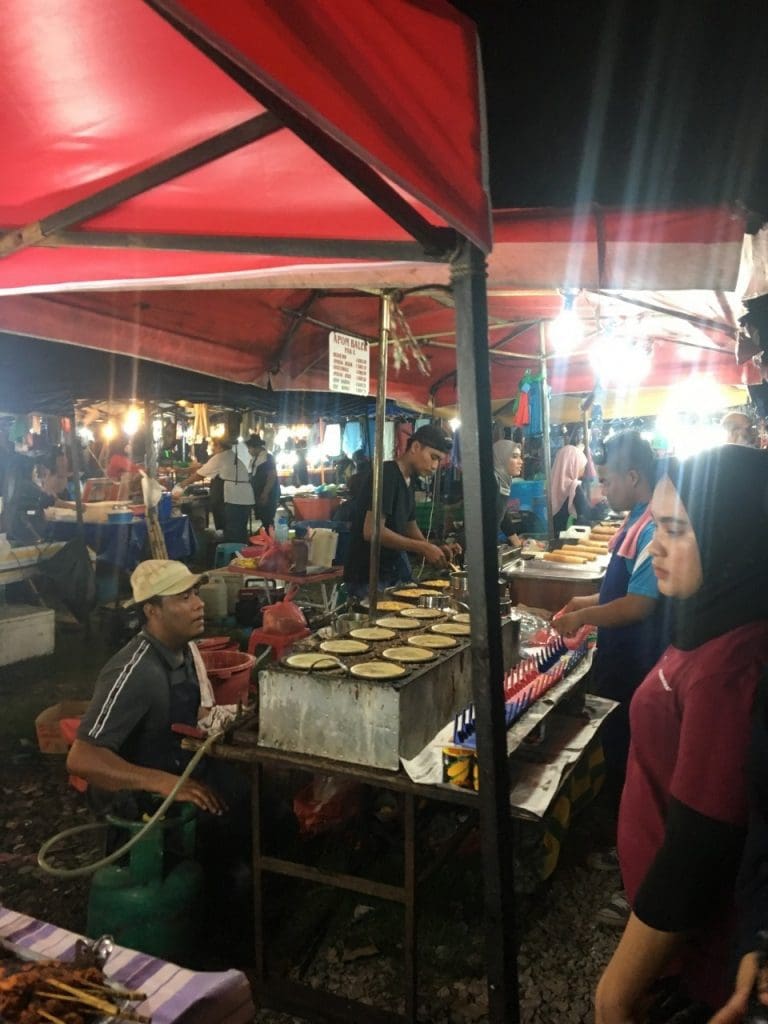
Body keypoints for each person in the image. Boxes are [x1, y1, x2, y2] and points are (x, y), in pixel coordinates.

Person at [594, 445, 768, 1024]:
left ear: (731, 536)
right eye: (656, 527)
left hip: (698, 944)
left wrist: (614, 993)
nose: (654, 547)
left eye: (675, 530)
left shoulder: (732, 668)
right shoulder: (708, 619)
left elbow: (700, 847)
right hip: (675, 937)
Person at [553, 431, 668, 795]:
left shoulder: (653, 526)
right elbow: (618, 589)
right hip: (619, 653)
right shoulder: (636, 516)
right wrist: (584, 602)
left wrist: (582, 618)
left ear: (632, 477)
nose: (602, 492)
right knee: (614, 737)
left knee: (626, 744)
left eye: (606, 481)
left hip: (636, 659)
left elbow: (639, 603)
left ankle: (619, 830)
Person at [67, 560, 225, 817]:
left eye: (195, 593)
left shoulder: (184, 650)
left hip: (180, 766)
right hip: (140, 801)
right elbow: (82, 758)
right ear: (152, 610)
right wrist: (164, 783)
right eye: (185, 597)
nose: (199, 603)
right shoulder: (136, 671)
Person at [343, 424, 459, 598]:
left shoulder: (409, 480)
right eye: (433, 457)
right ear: (415, 447)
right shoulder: (387, 474)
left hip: (392, 570)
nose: (435, 466)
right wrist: (422, 547)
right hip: (368, 574)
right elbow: (372, 531)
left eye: (439, 460)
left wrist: (433, 548)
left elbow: (409, 526)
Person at [180, 437, 252, 542]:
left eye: (213, 446)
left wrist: (182, 484)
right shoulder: (232, 456)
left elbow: (200, 475)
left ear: (219, 446)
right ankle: (241, 552)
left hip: (233, 498)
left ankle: (234, 554)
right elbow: (204, 468)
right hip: (245, 497)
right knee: (240, 528)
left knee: (232, 530)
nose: (212, 449)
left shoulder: (220, 457)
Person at [550, 443, 590, 534]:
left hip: (553, 534)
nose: (583, 470)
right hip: (569, 538)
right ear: (573, 465)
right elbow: (587, 512)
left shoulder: (551, 485)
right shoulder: (574, 486)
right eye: (582, 465)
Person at [493, 439, 525, 545]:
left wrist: (516, 542)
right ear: (501, 459)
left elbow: (502, 514)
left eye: (520, 457)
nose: (521, 461)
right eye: (515, 457)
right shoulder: (492, 482)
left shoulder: (503, 481)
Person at [245, 434, 279, 530]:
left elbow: (272, 476)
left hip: (268, 493)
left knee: (268, 519)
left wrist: (265, 493)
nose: (248, 451)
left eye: (249, 448)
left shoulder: (268, 458)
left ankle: (270, 540)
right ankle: (266, 539)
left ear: (255, 447)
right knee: (264, 518)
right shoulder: (255, 459)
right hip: (259, 493)